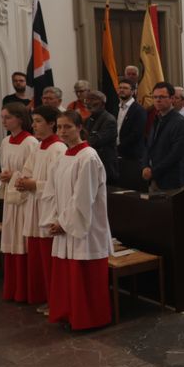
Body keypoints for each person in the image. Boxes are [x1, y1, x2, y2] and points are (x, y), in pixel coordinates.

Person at [41, 110, 112, 330]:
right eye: (59, 127)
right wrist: (54, 219)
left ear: (79, 128)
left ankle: (90, 318)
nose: (62, 131)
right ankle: (69, 313)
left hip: (85, 226)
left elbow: (83, 198)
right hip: (65, 224)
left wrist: (62, 223)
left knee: (85, 275)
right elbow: (51, 191)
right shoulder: (63, 156)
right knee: (67, 274)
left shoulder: (88, 157)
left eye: (67, 127)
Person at [15, 106, 66, 307]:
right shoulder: (39, 146)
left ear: (52, 123)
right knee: (38, 257)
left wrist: (34, 184)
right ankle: (45, 297)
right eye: (33, 121)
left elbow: (61, 184)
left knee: (49, 258)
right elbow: (27, 171)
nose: (33, 125)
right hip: (35, 207)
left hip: (50, 209)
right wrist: (21, 181)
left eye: (38, 121)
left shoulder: (58, 149)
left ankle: (55, 301)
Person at [0, 103, 38, 301]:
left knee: (23, 241)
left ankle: (26, 288)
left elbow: (33, 174)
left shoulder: (30, 143)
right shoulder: (5, 141)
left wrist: (14, 176)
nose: (3, 121)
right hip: (11, 199)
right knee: (12, 239)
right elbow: (4, 167)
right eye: (2, 117)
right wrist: (5, 177)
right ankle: (13, 287)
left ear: (20, 119)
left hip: (24, 199)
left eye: (7, 117)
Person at [139, 82, 184, 193]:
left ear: (172, 98)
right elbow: (149, 146)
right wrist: (145, 166)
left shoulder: (180, 122)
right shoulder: (157, 118)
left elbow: (175, 154)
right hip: (155, 179)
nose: (158, 100)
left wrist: (153, 171)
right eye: (155, 97)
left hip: (172, 181)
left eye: (162, 97)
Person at [114, 76, 147, 189]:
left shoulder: (139, 110)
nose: (122, 90)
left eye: (125, 88)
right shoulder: (116, 107)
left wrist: (119, 146)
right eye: (120, 88)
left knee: (132, 186)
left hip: (133, 155)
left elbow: (136, 134)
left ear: (133, 91)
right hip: (119, 154)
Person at [83, 91, 117, 181]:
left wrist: (84, 141)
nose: (89, 103)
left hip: (105, 165)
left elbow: (96, 141)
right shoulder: (87, 120)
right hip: (91, 162)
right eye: (87, 99)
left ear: (102, 103)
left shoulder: (109, 120)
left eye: (93, 99)